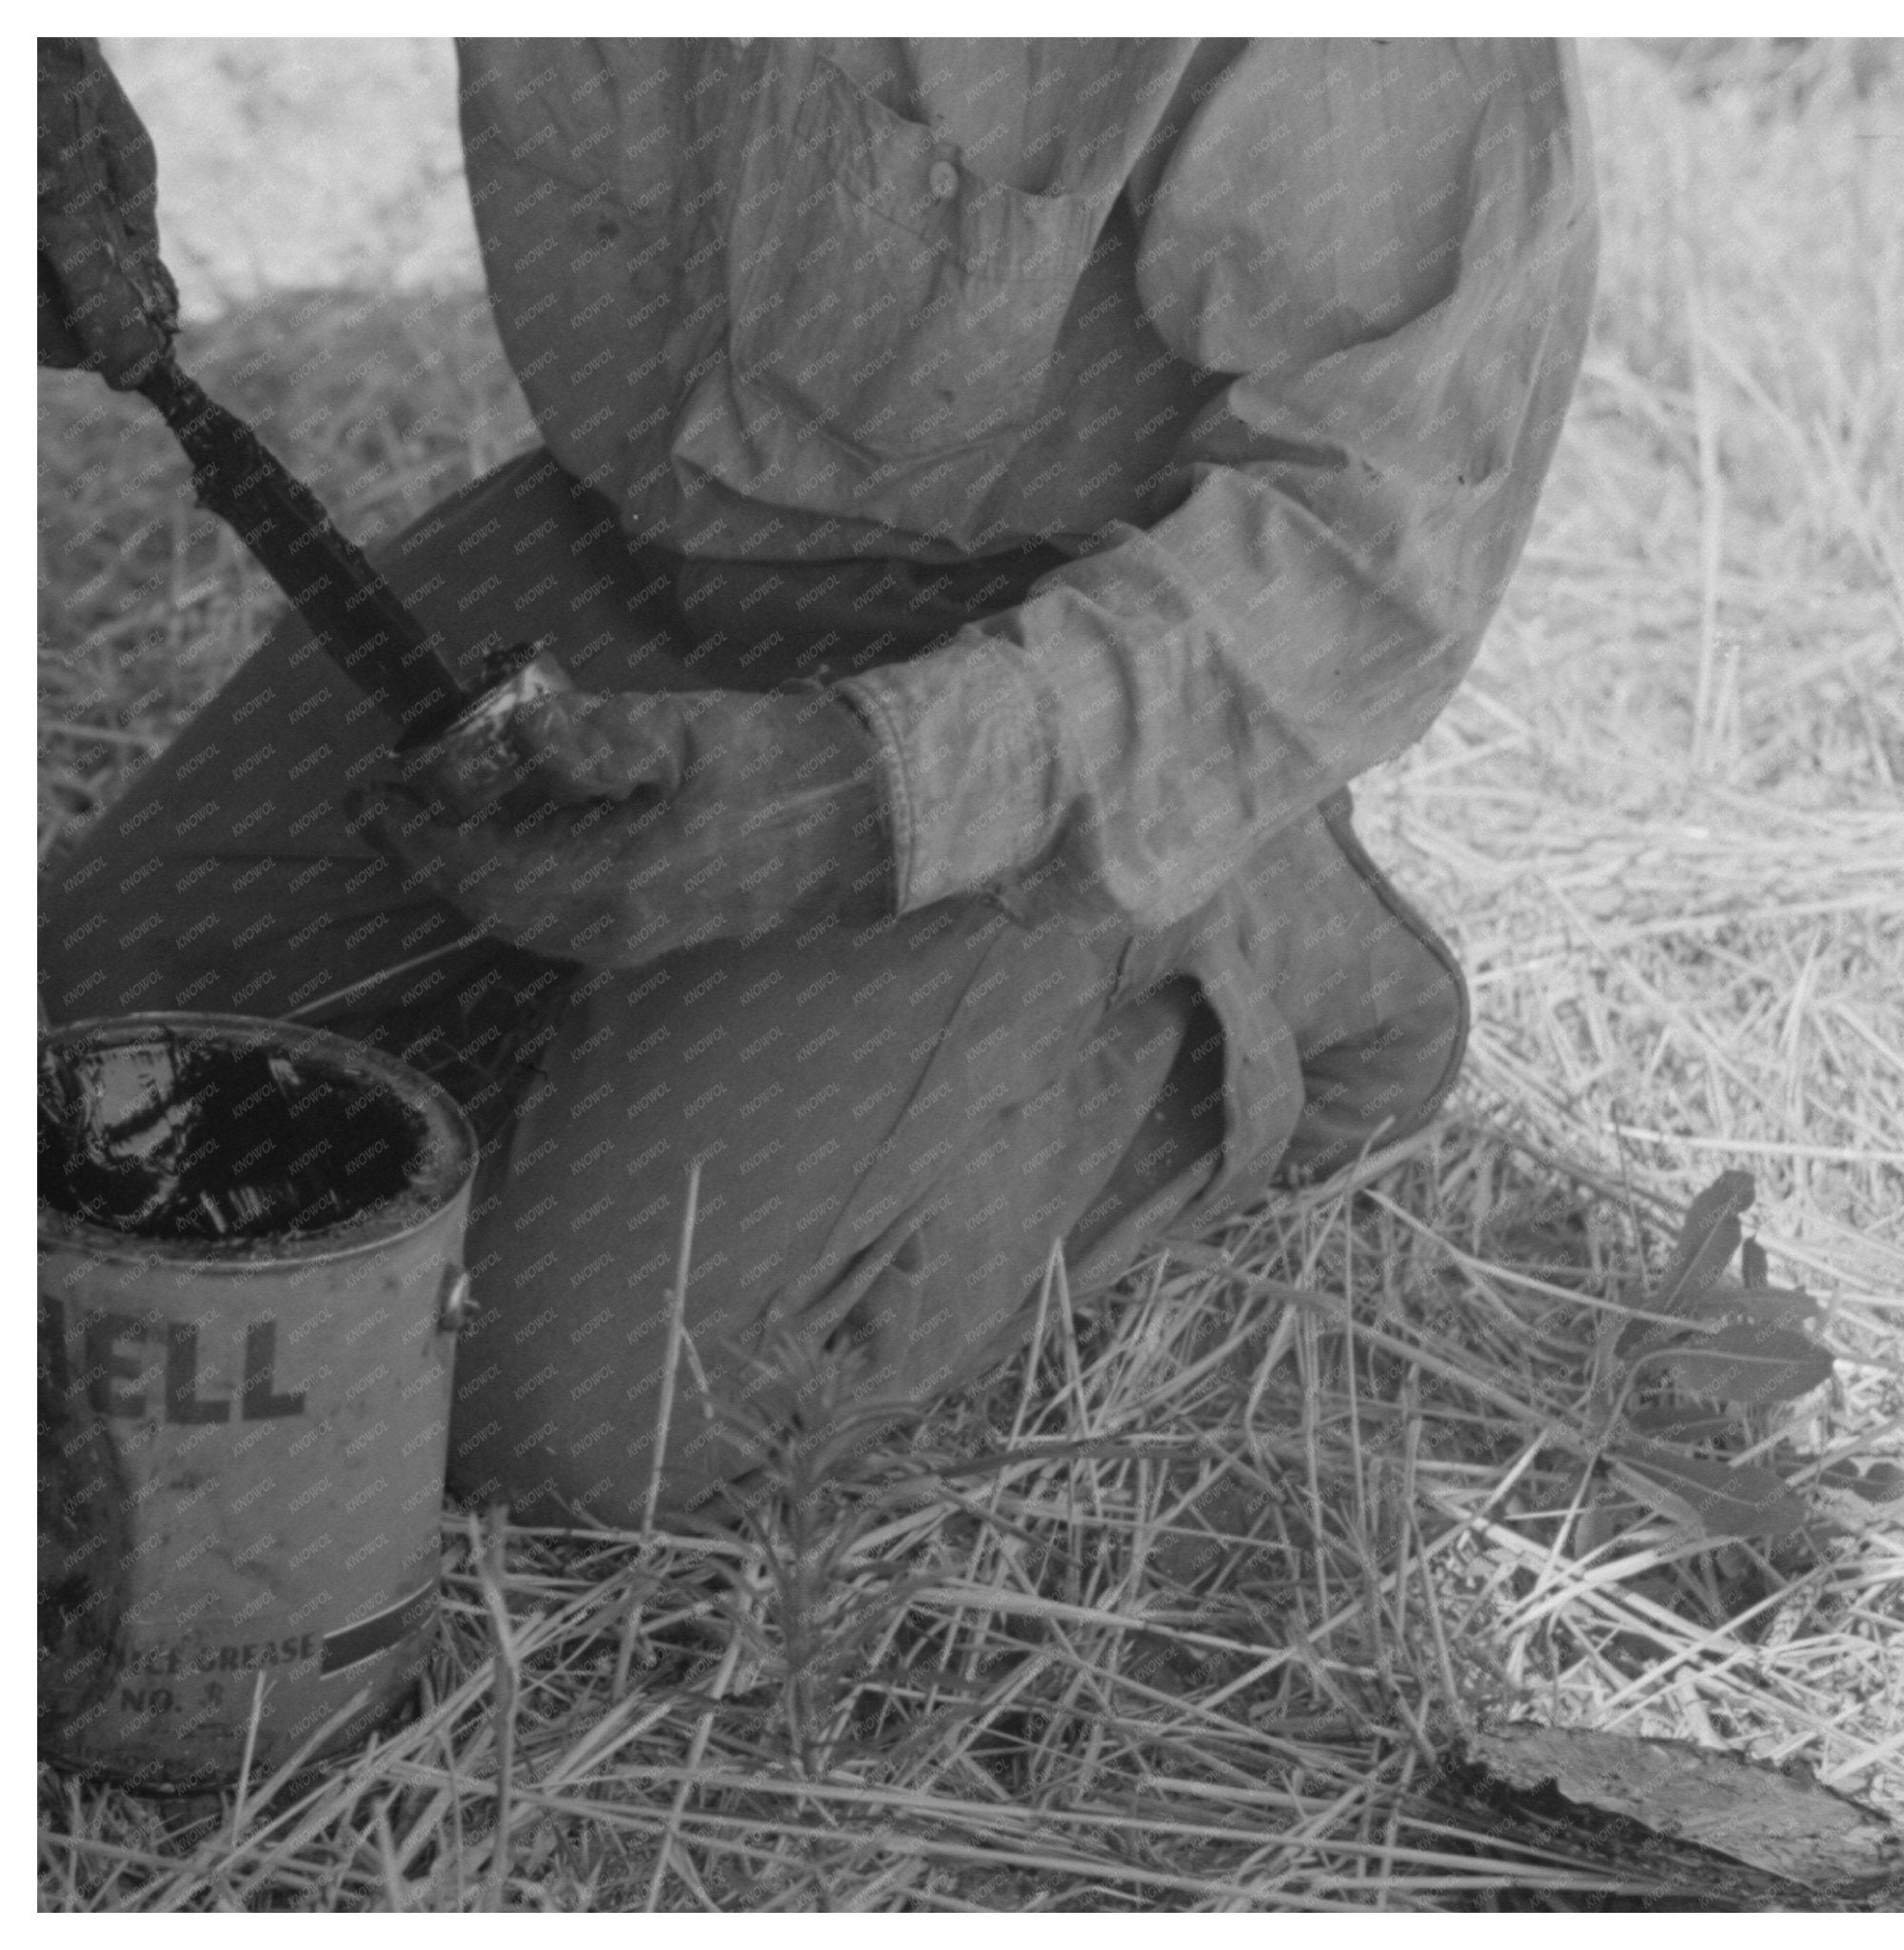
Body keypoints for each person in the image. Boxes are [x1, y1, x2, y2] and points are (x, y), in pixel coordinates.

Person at [38, 37, 1598, 1529]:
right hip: (614, 549)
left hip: (1034, 658)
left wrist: (861, 801)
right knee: (66, 1063)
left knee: (569, 1407)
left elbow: (1379, 537)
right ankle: (661, 1040)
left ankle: (1232, 949)